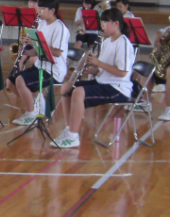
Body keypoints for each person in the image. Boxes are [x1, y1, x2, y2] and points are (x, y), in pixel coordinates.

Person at [51, 8, 135, 148]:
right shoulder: (107, 42)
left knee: (79, 92)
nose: (102, 26)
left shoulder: (124, 43)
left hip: (118, 88)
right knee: (66, 87)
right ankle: (69, 128)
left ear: (115, 23)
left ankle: (73, 136)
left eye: (105, 23)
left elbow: (122, 73)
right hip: (102, 82)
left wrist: (98, 63)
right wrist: (91, 69)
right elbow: (102, 68)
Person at [9, 0, 69, 126]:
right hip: (40, 65)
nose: (38, 12)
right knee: (10, 82)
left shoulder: (60, 28)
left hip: (53, 70)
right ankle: (35, 105)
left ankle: (31, 114)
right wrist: (25, 51)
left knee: (20, 80)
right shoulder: (41, 24)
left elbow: (57, 52)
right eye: (39, 9)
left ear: (52, 10)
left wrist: (35, 43)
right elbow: (37, 51)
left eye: (42, 9)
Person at [13, 0, 43, 74]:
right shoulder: (25, 15)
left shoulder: (41, 18)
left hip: (37, 45)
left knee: (33, 60)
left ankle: (32, 77)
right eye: (30, 2)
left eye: (34, 2)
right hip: (27, 44)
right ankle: (16, 75)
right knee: (19, 59)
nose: (31, 4)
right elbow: (20, 28)